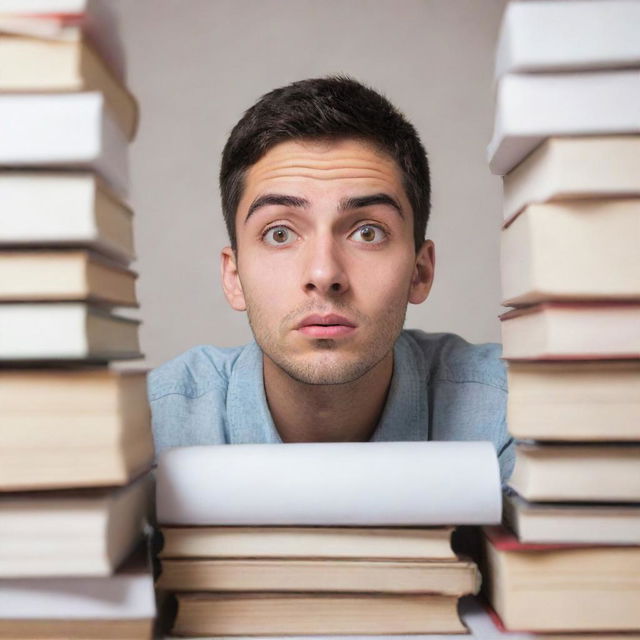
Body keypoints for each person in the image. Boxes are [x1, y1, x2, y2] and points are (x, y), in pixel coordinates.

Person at [149, 76, 514, 482]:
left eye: (367, 232)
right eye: (280, 233)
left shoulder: (516, 416)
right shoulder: (148, 431)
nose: (324, 275)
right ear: (233, 276)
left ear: (420, 271)